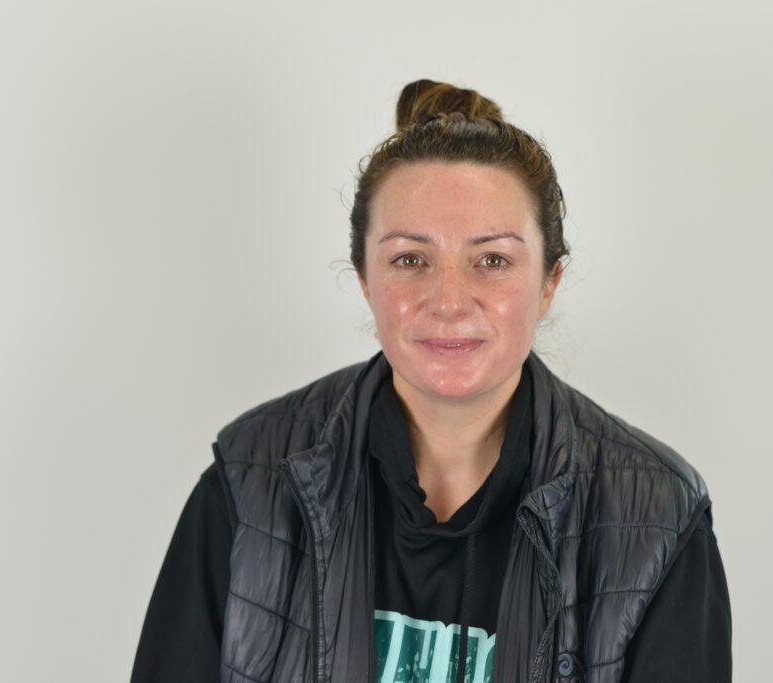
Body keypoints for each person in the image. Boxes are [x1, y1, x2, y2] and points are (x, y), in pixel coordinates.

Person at [131, 79, 732, 683]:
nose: (449, 301)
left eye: (492, 260)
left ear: (549, 282)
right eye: (410, 260)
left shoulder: (658, 518)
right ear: (365, 280)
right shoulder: (249, 480)